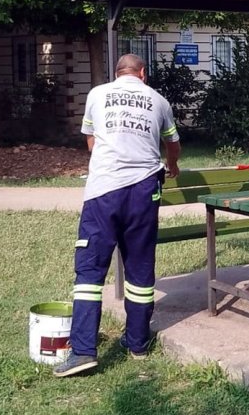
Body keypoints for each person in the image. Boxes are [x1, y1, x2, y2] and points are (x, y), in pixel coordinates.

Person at [54, 54, 181, 377]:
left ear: (117, 74)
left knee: (90, 271)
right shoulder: (159, 100)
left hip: (103, 193)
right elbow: (173, 143)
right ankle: (137, 342)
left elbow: (91, 140)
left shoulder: (97, 94)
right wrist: (173, 166)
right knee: (139, 265)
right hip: (144, 190)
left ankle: (83, 351)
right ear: (143, 74)